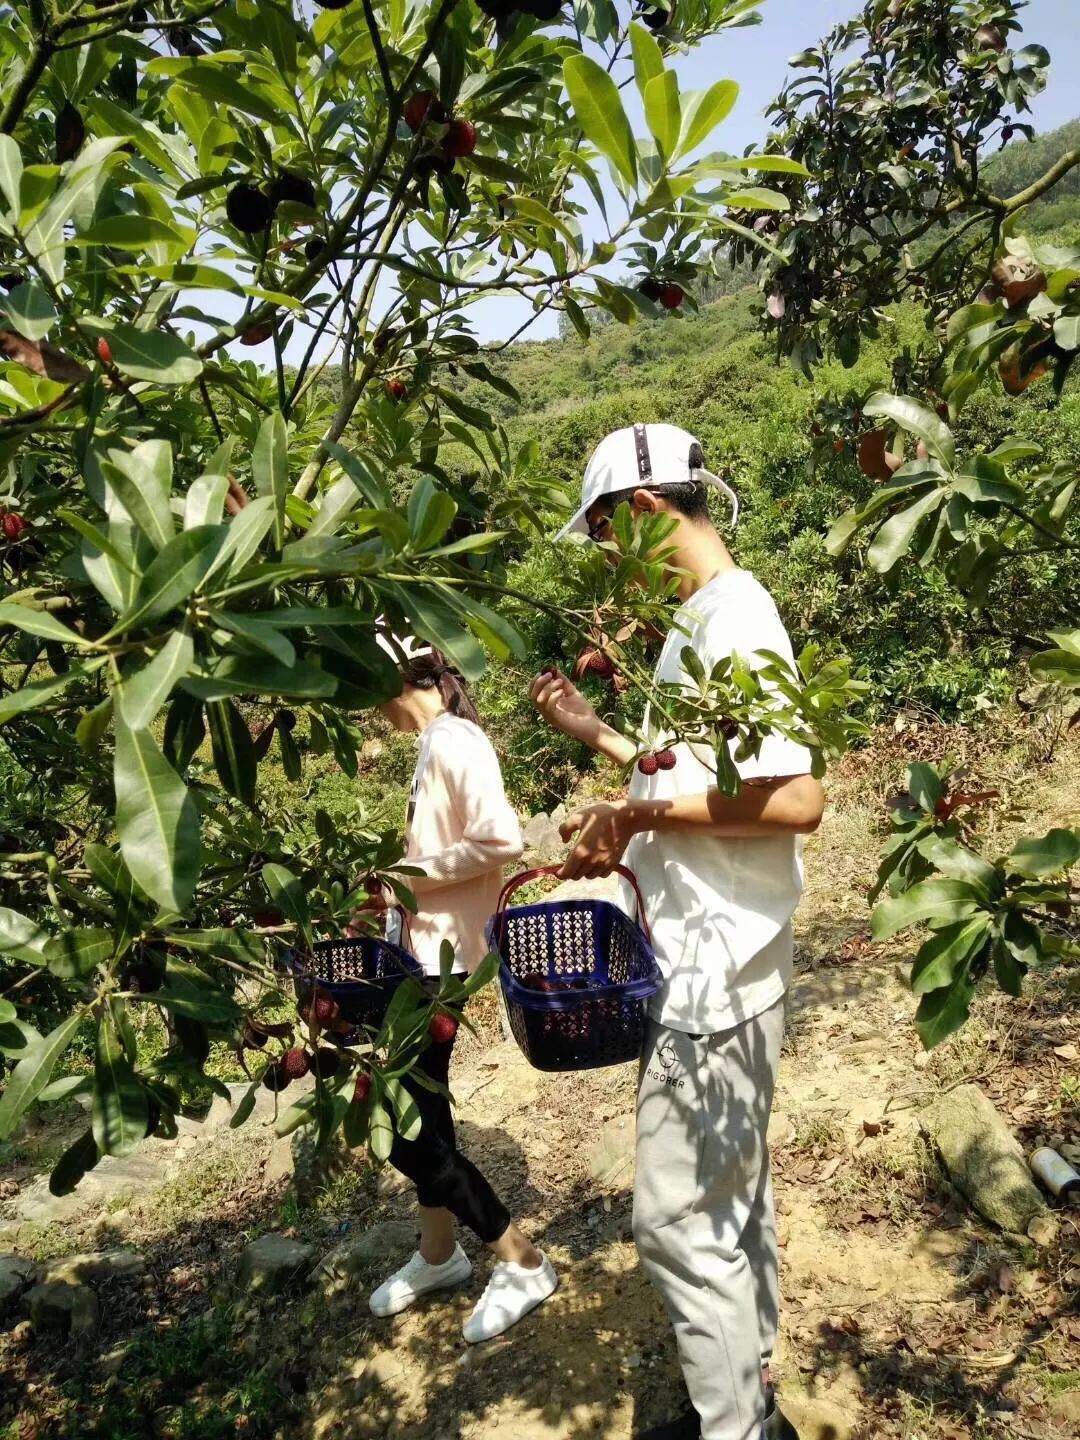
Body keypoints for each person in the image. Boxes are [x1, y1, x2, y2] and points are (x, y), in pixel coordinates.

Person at [530, 423, 821, 1440]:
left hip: (716, 977)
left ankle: (737, 1427)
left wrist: (639, 818)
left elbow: (794, 800)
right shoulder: (704, 620)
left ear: (647, 511)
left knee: (673, 1223)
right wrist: (607, 757)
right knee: (731, 1200)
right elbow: (699, 777)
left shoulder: (735, 618)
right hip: (716, 961)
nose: (613, 559)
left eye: (610, 534)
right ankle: (754, 1390)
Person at [359, 641, 557, 1343]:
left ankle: (520, 1257)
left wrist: (401, 875)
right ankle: (439, 1255)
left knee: (404, 1131)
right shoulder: (435, 740)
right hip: (424, 957)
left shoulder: (453, 737)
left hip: (441, 965)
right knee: (424, 1114)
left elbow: (501, 837)